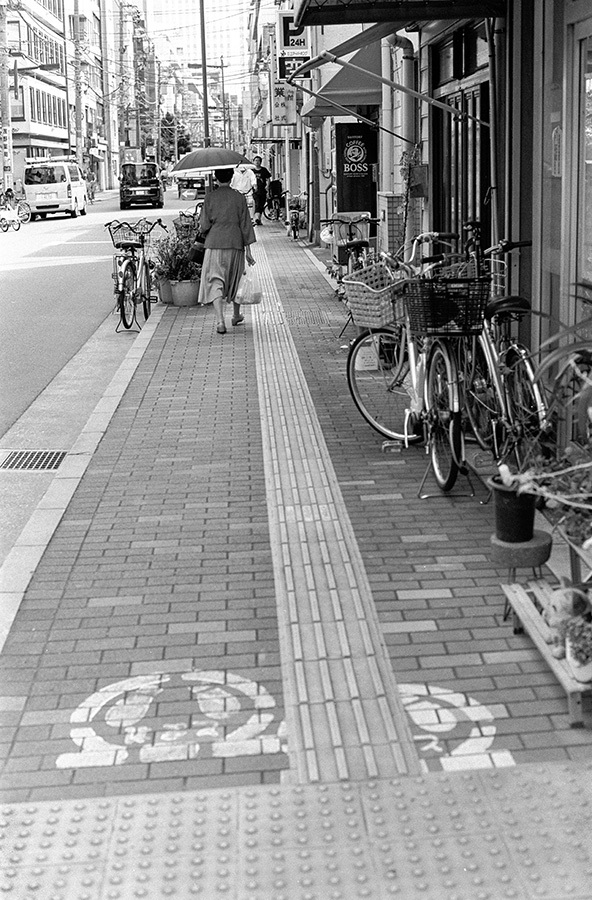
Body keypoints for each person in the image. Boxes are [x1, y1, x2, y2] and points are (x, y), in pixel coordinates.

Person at [198, 167, 256, 335]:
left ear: (216, 178)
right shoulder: (239, 197)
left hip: (214, 243)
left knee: (215, 281)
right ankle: (236, 315)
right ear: (231, 178)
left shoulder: (210, 198)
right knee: (236, 280)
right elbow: (246, 224)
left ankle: (220, 321)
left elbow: (204, 226)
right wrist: (249, 250)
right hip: (235, 243)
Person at [252, 156, 271, 225]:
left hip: (263, 190)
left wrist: (267, 186)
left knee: (261, 204)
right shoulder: (252, 171)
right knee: (257, 204)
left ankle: (258, 219)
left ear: (260, 162)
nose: (257, 162)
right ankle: (257, 218)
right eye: (255, 160)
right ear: (253, 161)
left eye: (258, 160)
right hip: (255, 190)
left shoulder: (264, 170)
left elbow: (268, 178)